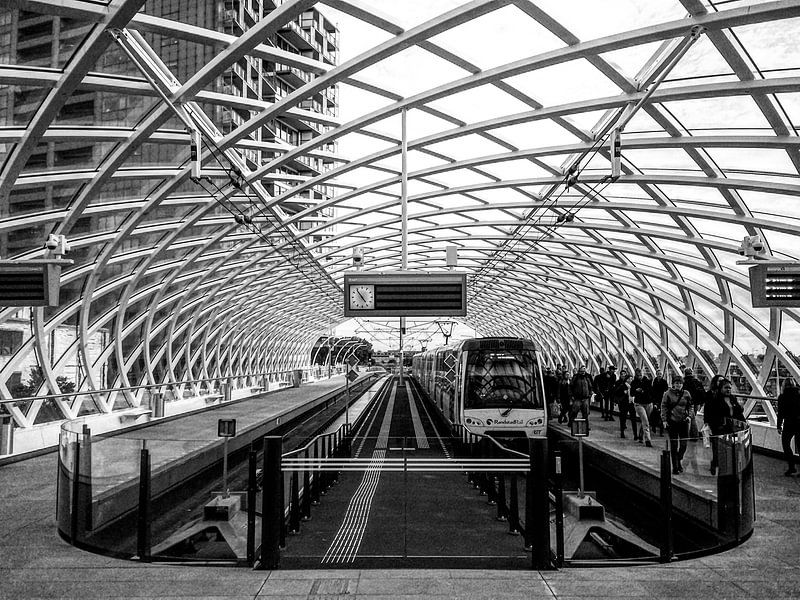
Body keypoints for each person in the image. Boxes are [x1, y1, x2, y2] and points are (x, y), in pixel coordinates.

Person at [704, 378, 745, 475]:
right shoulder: (715, 399)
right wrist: (711, 425)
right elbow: (710, 413)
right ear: (720, 388)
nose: (728, 390)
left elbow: (738, 412)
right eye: (726, 388)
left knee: (729, 449)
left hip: (731, 428)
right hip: (719, 428)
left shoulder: (732, 398)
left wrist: (743, 423)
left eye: (730, 388)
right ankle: (715, 463)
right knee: (718, 449)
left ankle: (726, 467)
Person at [661, 376, 695, 474]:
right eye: (676, 383)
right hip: (672, 422)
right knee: (674, 445)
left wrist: (689, 416)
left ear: (682, 384)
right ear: (673, 384)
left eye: (680, 383)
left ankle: (678, 459)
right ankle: (675, 466)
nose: (678, 385)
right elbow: (663, 407)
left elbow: (691, 405)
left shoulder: (686, 393)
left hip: (684, 422)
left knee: (683, 445)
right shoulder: (667, 394)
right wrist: (664, 420)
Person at [777, 378, 800, 476]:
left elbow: (781, 413)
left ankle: (792, 467)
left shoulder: (782, 397)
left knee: (786, 445)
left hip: (789, 423)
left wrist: (779, 425)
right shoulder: (799, 395)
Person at [631, 368, 653, 447]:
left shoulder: (647, 381)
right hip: (639, 404)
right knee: (645, 420)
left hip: (648, 403)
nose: (639, 377)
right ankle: (648, 440)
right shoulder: (634, 382)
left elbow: (651, 391)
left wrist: (642, 391)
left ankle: (640, 435)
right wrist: (636, 391)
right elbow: (631, 393)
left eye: (640, 375)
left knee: (645, 420)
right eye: (638, 375)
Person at [569, 365, 593, 430]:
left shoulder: (587, 378)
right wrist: (571, 396)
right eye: (581, 371)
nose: (583, 373)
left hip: (585, 398)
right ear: (579, 371)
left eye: (584, 371)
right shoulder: (576, 378)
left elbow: (590, 386)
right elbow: (570, 387)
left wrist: (590, 393)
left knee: (586, 413)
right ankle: (572, 424)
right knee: (574, 412)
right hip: (577, 398)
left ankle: (586, 426)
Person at [612, 371, 634, 439]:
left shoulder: (631, 385)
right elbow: (616, 391)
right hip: (622, 402)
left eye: (624, 374)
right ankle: (622, 429)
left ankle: (635, 434)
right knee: (623, 415)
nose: (623, 376)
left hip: (629, 403)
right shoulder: (619, 383)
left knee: (628, 416)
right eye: (622, 375)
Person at [650, 369, 668, 436]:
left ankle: (661, 431)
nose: (659, 375)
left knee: (661, 415)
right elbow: (652, 391)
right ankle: (654, 426)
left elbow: (665, 390)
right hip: (656, 400)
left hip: (661, 400)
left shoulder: (664, 382)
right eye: (658, 374)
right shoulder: (654, 381)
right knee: (655, 414)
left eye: (660, 374)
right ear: (656, 374)